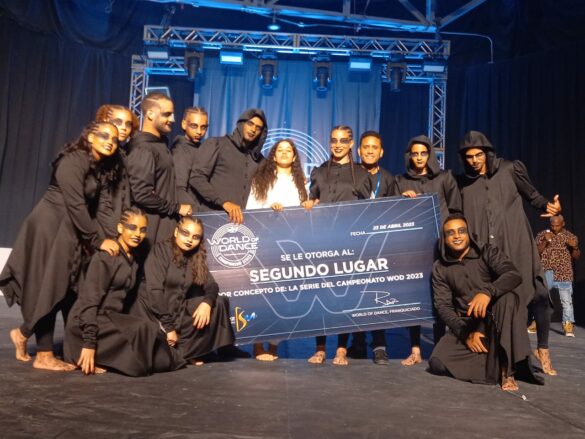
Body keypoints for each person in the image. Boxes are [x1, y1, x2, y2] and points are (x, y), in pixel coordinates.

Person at [0, 122, 123, 371]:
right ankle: (43, 355)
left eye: (115, 139)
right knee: (48, 286)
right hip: (49, 227)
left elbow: (93, 207)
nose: (110, 141)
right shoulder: (73, 160)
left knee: (69, 289)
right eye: (104, 135)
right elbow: (76, 205)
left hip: (69, 231)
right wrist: (97, 240)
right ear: (90, 137)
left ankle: (35, 338)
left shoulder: (98, 166)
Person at [457, 130, 561, 376]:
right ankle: (507, 356)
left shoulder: (509, 169)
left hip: (517, 244)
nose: (474, 160)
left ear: (487, 153)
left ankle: (543, 349)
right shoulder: (463, 184)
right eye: (469, 157)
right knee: (504, 303)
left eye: (478, 155)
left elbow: (532, 196)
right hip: (489, 254)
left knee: (538, 294)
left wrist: (549, 206)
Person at [64, 208, 185, 376]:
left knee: (153, 336)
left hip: (111, 320)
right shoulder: (106, 257)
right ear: (120, 228)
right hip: (86, 323)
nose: (137, 234)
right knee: (140, 354)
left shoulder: (133, 259)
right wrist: (89, 343)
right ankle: (85, 354)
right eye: (132, 228)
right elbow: (89, 301)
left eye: (142, 230)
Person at [429, 214, 542, 391]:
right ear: (444, 238)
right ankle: (493, 362)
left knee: (508, 298)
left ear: (468, 234)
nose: (457, 236)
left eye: (461, 231)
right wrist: (466, 334)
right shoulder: (440, 267)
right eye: (451, 233)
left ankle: (506, 368)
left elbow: (513, 274)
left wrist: (488, 292)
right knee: (437, 363)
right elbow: (443, 306)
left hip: (497, 321)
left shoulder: (487, 251)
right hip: (468, 325)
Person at [307, 125, 372, 366]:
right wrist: (309, 204)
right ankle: (320, 348)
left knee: (344, 296)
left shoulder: (362, 174)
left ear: (351, 144)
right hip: (321, 241)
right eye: (334, 140)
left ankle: (342, 348)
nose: (338, 145)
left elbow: (367, 211)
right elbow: (312, 200)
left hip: (349, 242)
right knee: (321, 295)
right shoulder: (319, 171)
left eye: (343, 140)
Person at [394, 135, 461, 367]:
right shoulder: (401, 181)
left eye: (423, 153)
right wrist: (401, 200)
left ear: (430, 155)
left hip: (440, 249)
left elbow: (456, 210)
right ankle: (415, 350)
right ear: (409, 156)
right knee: (414, 297)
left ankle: (439, 349)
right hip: (413, 250)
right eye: (415, 153)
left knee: (441, 298)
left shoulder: (444, 178)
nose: (419, 157)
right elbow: (392, 216)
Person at [246, 138, 311, 361]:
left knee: (282, 299)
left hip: (289, 246)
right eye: (280, 150)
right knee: (260, 296)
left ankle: (274, 345)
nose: (284, 153)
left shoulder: (302, 182)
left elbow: (304, 216)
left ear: (294, 157)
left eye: (288, 150)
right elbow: (250, 212)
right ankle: (256, 345)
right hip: (264, 244)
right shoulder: (260, 180)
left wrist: (308, 206)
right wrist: (269, 210)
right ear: (273, 155)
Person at [137, 217, 235, 365]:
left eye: (195, 237)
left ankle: (187, 352)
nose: (189, 240)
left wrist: (207, 303)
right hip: (154, 313)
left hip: (177, 312)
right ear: (176, 231)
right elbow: (154, 291)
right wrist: (168, 328)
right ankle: (180, 353)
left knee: (219, 302)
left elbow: (212, 285)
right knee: (158, 362)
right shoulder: (161, 250)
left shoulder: (196, 256)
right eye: (185, 233)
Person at [347, 131, 396, 365]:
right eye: (365, 147)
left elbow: (395, 209)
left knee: (377, 294)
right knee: (355, 294)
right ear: (358, 150)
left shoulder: (388, 178)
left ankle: (379, 344)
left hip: (378, 245)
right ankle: (357, 341)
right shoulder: (349, 175)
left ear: (381, 152)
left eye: (374, 147)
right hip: (352, 243)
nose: (369, 150)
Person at [125, 92, 192, 251]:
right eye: (166, 114)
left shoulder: (159, 144)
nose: (172, 119)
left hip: (164, 227)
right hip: (151, 231)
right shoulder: (144, 148)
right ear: (150, 114)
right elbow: (141, 194)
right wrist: (176, 208)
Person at [191, 108, 267, 224]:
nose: (253, 129)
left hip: (243, 224)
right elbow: (197, 178)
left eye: (258, 128)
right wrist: (223, 202)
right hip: (212, 219)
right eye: (250, 124)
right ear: (242, 124)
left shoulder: (260, 160)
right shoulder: (217, 144)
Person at [535, 215, 580, 337]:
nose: (554, 228)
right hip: (547, 271)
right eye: (552, 225)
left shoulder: (570, 236)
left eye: (557, 225)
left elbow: (576, 257)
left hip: (564, 272)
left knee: (567, 301)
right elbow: (536, 252)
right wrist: (545, 241)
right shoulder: (543, 234)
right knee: (541, 298)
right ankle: (536, 322)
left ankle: (567, 325)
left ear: (563, 223)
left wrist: (575, 247)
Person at [172, 107, 209, 212]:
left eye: (203, 127)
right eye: (194, 126)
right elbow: (179, 189)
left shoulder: (200, 149)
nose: (199, 132)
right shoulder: (181, 151)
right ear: (184, 124)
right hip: (190, 214)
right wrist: (197, 213)